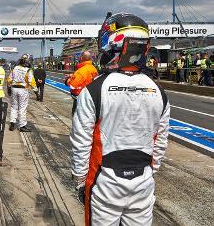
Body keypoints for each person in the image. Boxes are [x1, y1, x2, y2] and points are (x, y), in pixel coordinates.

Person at [70, 13, 170, 226]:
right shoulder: (159, 92)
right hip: (143, 180)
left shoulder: (94, 90)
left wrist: (80, 179)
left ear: (111, 44)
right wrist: (151, 172)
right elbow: (160, 143)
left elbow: (81, 140)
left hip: (104, 180)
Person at [7, 54, 37, 132]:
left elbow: (9, 79)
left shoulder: (15, 68)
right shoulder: (28, 70)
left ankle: (12, 123)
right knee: (22, 108)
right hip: (23, 90)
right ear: (28, 61)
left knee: (14, 107)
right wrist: (36, 91)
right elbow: (31, 81)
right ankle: (22, 125)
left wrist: (9, 88)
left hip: (14, 88)